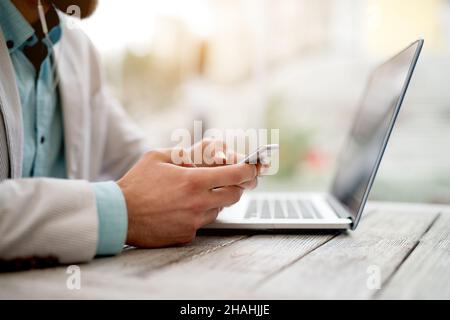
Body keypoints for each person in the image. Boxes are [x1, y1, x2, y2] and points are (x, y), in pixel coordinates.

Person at [0, 0, 259, 270]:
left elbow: (133, 156)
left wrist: (195, 171)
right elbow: (133, 197)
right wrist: (122, 211)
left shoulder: (77, 50)